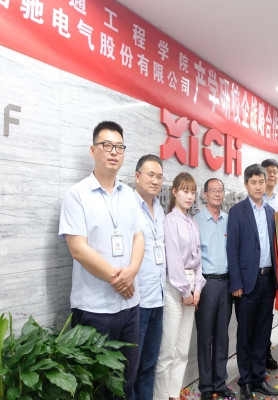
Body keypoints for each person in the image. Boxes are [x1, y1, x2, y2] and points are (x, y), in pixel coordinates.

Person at [59, 121, 146, 399]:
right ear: (93, 150)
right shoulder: (77, 195)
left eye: (119, 147)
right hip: (94, 308)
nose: (114, 152)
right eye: (107, 145)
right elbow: (78, 249)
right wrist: (118, 279)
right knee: (96, 386)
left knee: (126, 380)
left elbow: (139, 237)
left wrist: (132, 271)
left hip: (129, 306)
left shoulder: (130, 195)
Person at [228, 164, 278, 400]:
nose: (258, 186)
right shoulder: (237, 212)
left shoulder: (271, 212)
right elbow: (232, 249)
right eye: (254, 182)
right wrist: (236, 283)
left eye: (261, 182)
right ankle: (245, 381)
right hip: (247, 283)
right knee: (245, 334)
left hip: (268, 280)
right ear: (246, 185)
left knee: (263, 332)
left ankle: (259, 378)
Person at [154, 173, 206, 400]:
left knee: (183, 349)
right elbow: (174, 260)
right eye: (185, 191)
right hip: (175, 288)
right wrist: (186, 291)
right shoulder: (170, 220)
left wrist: (198, 289)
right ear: (174, 192)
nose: (189, 196)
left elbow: (199, 260)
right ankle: (160, 396)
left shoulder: (193, 222)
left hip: (192, 286)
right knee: (168, 349)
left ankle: (174, 394)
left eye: (192, 192)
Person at [194, 178, 235, 400]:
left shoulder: (230, 220)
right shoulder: (196, 221)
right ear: (205, 194)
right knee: (205, 337)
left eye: (221, 190)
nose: (218, 194)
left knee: (222, 337)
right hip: (206, 284)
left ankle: (220, 382)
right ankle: (206, 387)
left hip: (226, 284)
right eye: (213, 190)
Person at [133, 155, 167, 400]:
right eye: (150, 175)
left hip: (158, 297)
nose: (155, 181)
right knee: (132, 365)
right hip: (137, 299)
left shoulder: (160, 209)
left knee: (149, 363)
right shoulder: (128, 206)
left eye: (159, 177)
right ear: (137, 176)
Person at [260, 158, 278, 370]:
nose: (271, 175)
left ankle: (265, 350)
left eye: (274, 171)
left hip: (276, 262)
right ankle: (257, 353)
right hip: (257, 263)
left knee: (268, 311)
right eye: (267, 171)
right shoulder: (253, 198)